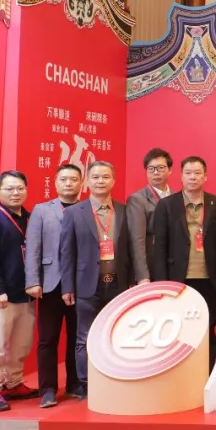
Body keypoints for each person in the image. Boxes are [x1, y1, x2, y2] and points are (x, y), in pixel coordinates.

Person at [59, 161, 134, 397]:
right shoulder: (74, 213)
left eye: (106, 177)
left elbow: (131, 250)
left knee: (117, 335)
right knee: (84, 337)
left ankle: (115, 380)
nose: (101, 181)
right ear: (87, 182)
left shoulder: (124, 210)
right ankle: (86, 385)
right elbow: (66, 252)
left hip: (118, 285)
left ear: (113, 181)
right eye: (96, 177)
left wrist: (132, 281)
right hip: (86, 285)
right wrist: (67, 286)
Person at [152, 156, 216, 369]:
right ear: (181, 176)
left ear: (205, 176)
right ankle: (180, 371)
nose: (193, 177)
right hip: (178, 278)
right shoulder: (167, 205)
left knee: (208, 325)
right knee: (178, 327)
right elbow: (159, 247)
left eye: (197, 173)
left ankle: (208, 371)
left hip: (207, 277)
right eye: (188, 173)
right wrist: (161, 283)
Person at [0, 170, 38, 411]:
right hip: (0, 297)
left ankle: (12, 383)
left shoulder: (31, 218)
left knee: (21, 345)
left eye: (20, 188)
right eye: (9, 188)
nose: (15, 193)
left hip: (26, 293)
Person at [25, 164, 84, 407]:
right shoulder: (41, 210)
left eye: (74, 179)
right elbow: (33, 248)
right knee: (48, 339)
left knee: (77, 337)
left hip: (80, 283)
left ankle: (75, 384)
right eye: (64, 179)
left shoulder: (86, 209)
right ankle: (48, 389)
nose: (69, 183)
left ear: (81, 183)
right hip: (50, 283)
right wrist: (33, 281)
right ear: (56, 182)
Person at [127, 148, 173, 285]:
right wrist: (142, 275)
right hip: (151, 267)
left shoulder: (177, 196)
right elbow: (137, 240)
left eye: (160, 168)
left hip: (173, 265)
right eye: (151, 169)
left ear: (170, 170)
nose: (156, 172)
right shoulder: (137, 199)